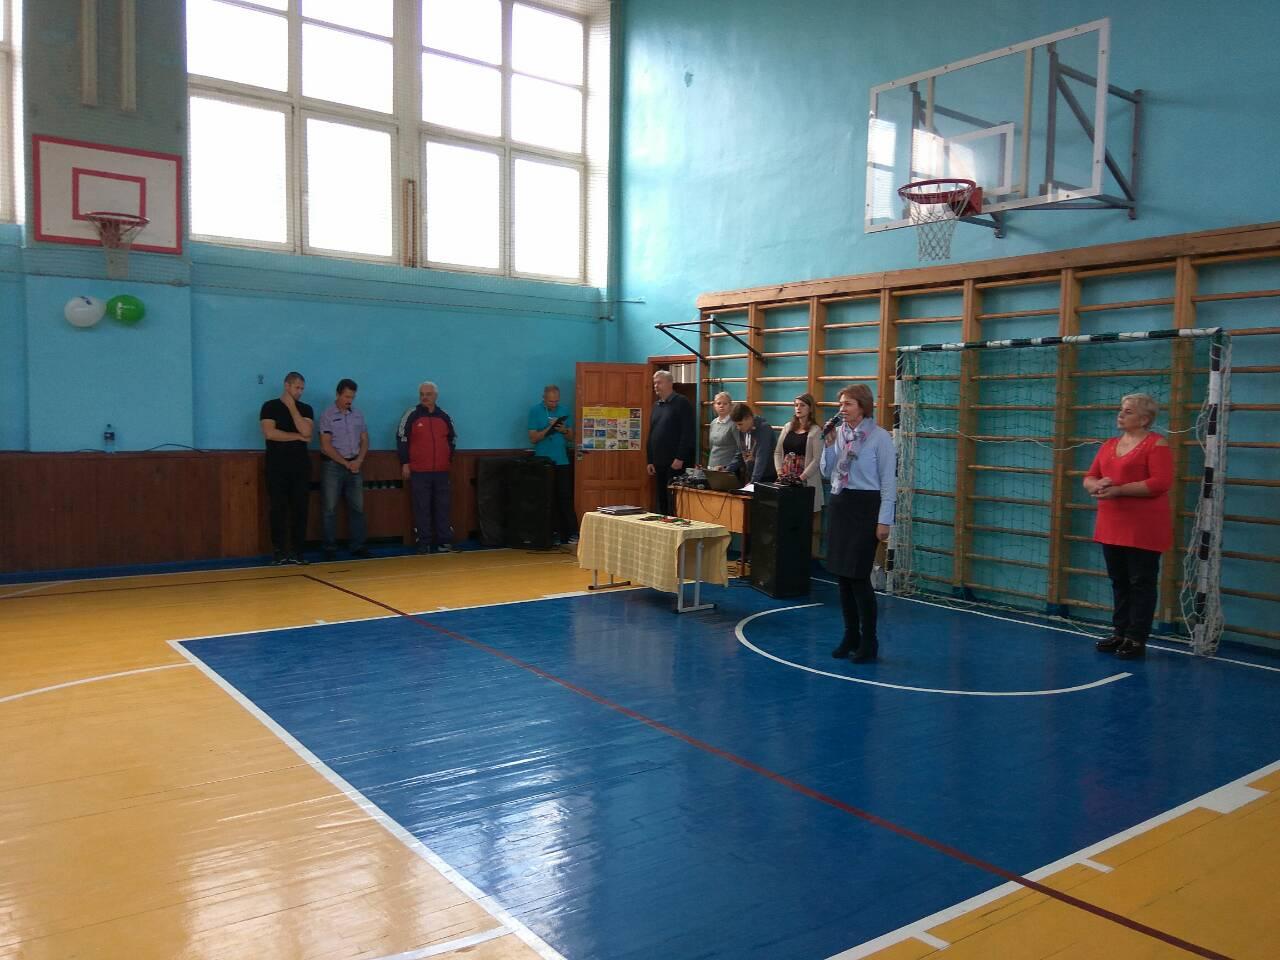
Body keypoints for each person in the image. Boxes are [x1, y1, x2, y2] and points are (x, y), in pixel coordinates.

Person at [1083, 393, 1173, 660]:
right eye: (1121, 410)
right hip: (1111, 524)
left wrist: (1119, 490)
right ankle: (1120, 632)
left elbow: (1160, 483)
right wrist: (1096, 485)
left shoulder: (1157, 444)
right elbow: (1090, 477)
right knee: (1119, 581)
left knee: (1141, 583)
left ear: (1144, 419)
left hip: (1143, 526)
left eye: (1128, 411)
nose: (1121, 415)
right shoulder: (1109, 444)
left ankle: (1136, 638)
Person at [820, 384, 896, 663]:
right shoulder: (840, 433)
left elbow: (888, 481)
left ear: (863, 406)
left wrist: (884, 520)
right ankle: (850, 635)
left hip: (866, 507)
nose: (842, 409)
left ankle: (869, 640)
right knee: (843, 576)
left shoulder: (880, 437)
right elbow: (827, 472)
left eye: (848, 404)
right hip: (841, 503)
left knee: (859, 576)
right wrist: (829, 446)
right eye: (840, 404)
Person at [259, 371, 314, 565]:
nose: (300, 392)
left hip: (300, 467)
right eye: (297, 387)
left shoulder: (305, 409)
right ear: (287, 386)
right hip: (276, 466)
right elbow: (270, 433)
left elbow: (307, 431)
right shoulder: (269, 406)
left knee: (300, 509)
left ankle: (298, 552)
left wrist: (292, 407)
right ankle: (279, 551)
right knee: (278, 508)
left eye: (302, 388)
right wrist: (297, 436)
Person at [397, 381, 457, 554]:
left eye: (428, 394)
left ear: (435, 396)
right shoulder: (411, 414)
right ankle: (424, 542)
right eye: (422, 394)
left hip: (441, 471)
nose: (424, 397)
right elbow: (401, 438)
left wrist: (447, 458)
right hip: (419, 471)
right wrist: (405, 462)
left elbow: (452, 439)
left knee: (442, 506)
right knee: (422, 507)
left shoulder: (444, 416)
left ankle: (444, 542)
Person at [318, 378, 370, 561]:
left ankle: (358, 546)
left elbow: (364, 439)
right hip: (333, 466)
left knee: (358, 508)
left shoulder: (358, 415)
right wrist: (345, 463)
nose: (349, 400)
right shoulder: (327, 415)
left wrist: (359, 460)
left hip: (355, 464)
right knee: (329, 508)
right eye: (347, 397)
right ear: (338, 394)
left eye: (352, 397)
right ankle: (329, 548)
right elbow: (325, 446)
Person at [775, 393, 825, 550]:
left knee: (804, 525)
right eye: (796, 405)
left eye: (802, 405)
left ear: (810, 408)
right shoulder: (788, 427)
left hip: (805, 482)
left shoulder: (815, 431)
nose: (798, 408)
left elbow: (817, 459)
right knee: (785, 523)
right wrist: (779, 471)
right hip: (786, 480)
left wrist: (801, 478)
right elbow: (778, 452)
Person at [528, 384, 577, 545]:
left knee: (565, 497)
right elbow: (533, 438)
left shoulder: (564, 410)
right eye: (550, 401)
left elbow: (571, 437)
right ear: (544, 398)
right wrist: (550, 428)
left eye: (556, 401)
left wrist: (563, 430)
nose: (554, 404)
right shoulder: (535, 411)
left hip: (562, 460)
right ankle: (549, 533)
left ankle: (571, 533)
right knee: (546, 498)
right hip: (543, 461)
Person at [647, 370, 695, 515]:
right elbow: (652, 433)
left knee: (674, 500)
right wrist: (650, 460)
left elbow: (688, 432)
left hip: (675, 462)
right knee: (661, 499)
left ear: (670, 383)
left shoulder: (682, 402)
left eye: (659, 382)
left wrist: (680, 457)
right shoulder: (656, 406)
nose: (656, 386)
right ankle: (662, 524)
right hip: (658, 462)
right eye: (654, 383)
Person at [728, 403, 777, 483]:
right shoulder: (742, 429)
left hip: (766, 477)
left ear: (749, 418)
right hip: (751, 475)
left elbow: (761, 457)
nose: (738, 428)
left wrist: (753, 482)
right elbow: (740, 454)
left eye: (740, 424)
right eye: (736, 425)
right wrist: (727, 470)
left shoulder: (764, 429)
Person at [706, 391, 738, 470]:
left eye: (725, 404)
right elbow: (711, 446)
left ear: (730, 406)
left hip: (726, 467)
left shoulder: (734, 424)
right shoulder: (713, 423)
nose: (721, 406)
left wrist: (730, 467)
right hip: (712, 465)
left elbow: (740, 448)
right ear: (714, 406)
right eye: (718, 403)